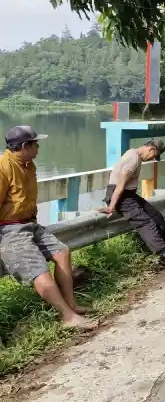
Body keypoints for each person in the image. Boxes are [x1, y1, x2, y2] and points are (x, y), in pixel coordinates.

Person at [0, 126, 96, 330]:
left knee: (62, 252)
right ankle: (67, 317)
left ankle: (72, 305)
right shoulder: (3, 167)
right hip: (9, 229)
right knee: (38, 269)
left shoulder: (29, 165)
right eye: (36, 144)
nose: (39, 148)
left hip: (29, 224)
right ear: (25, 146)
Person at [100, 138, 165, 269]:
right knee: (147, 223)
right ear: (151, 149)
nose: (152, 159)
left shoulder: (135, 156)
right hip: (121, 196)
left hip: (129, 195)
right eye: (154, 156)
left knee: (157, 217)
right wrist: (111, 207)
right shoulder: (132, 159)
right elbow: (120, 185)